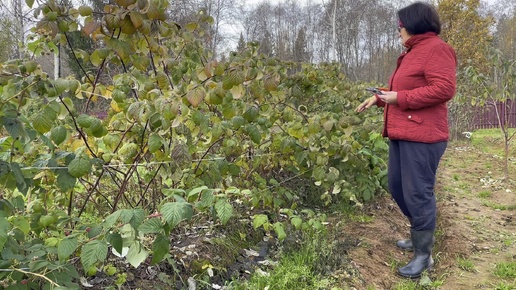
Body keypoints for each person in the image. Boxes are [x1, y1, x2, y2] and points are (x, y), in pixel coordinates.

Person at [355, 2, 457, 278]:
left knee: (417, 192)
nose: (398, 30)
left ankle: (424, 255)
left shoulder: (436, 49)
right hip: (402, 133)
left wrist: (399, 98)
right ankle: (418, 233)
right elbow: (406, 88)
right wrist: (379, 97)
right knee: (397, 187)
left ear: (413, 24)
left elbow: (444, 88)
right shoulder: (412, 53)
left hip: (423, 137)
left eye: (400, 25)